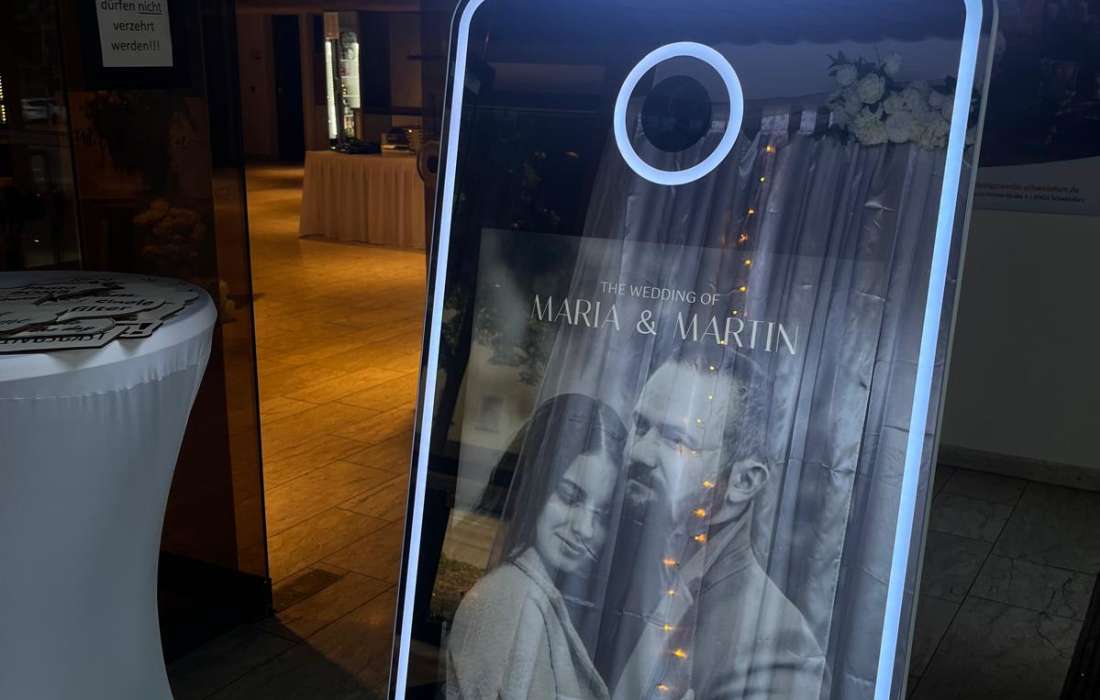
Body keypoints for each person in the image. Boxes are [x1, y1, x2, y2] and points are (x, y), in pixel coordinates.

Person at [596, 347, 827, 700]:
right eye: (640, 426)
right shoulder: (600, 554)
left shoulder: (777, 649)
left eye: (677, 440)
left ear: (744, 481)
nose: (639, 452)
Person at [447, 393, 628, 700]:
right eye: (570, 497)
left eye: (603, 514)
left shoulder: (555, 595)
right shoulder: (506, 601)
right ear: (535, 483)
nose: (585, 528)